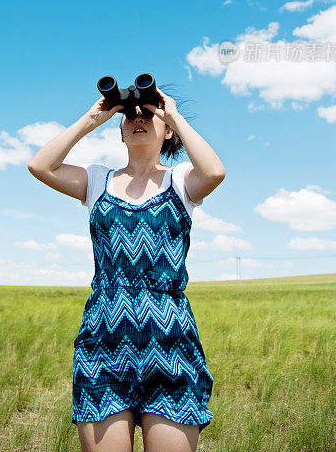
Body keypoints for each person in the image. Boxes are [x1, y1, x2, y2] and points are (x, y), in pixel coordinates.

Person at [28, 86, 226, 452]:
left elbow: (214, 172)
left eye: (148, 113)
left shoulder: (181, 181)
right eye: (129, 114)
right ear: (119, 130)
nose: (138, 117)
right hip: (104, 342)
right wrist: (91, 119)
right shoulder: (97, 181)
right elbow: (40, 165)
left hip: (170, 345)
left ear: (166, 130)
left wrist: (174, 115)